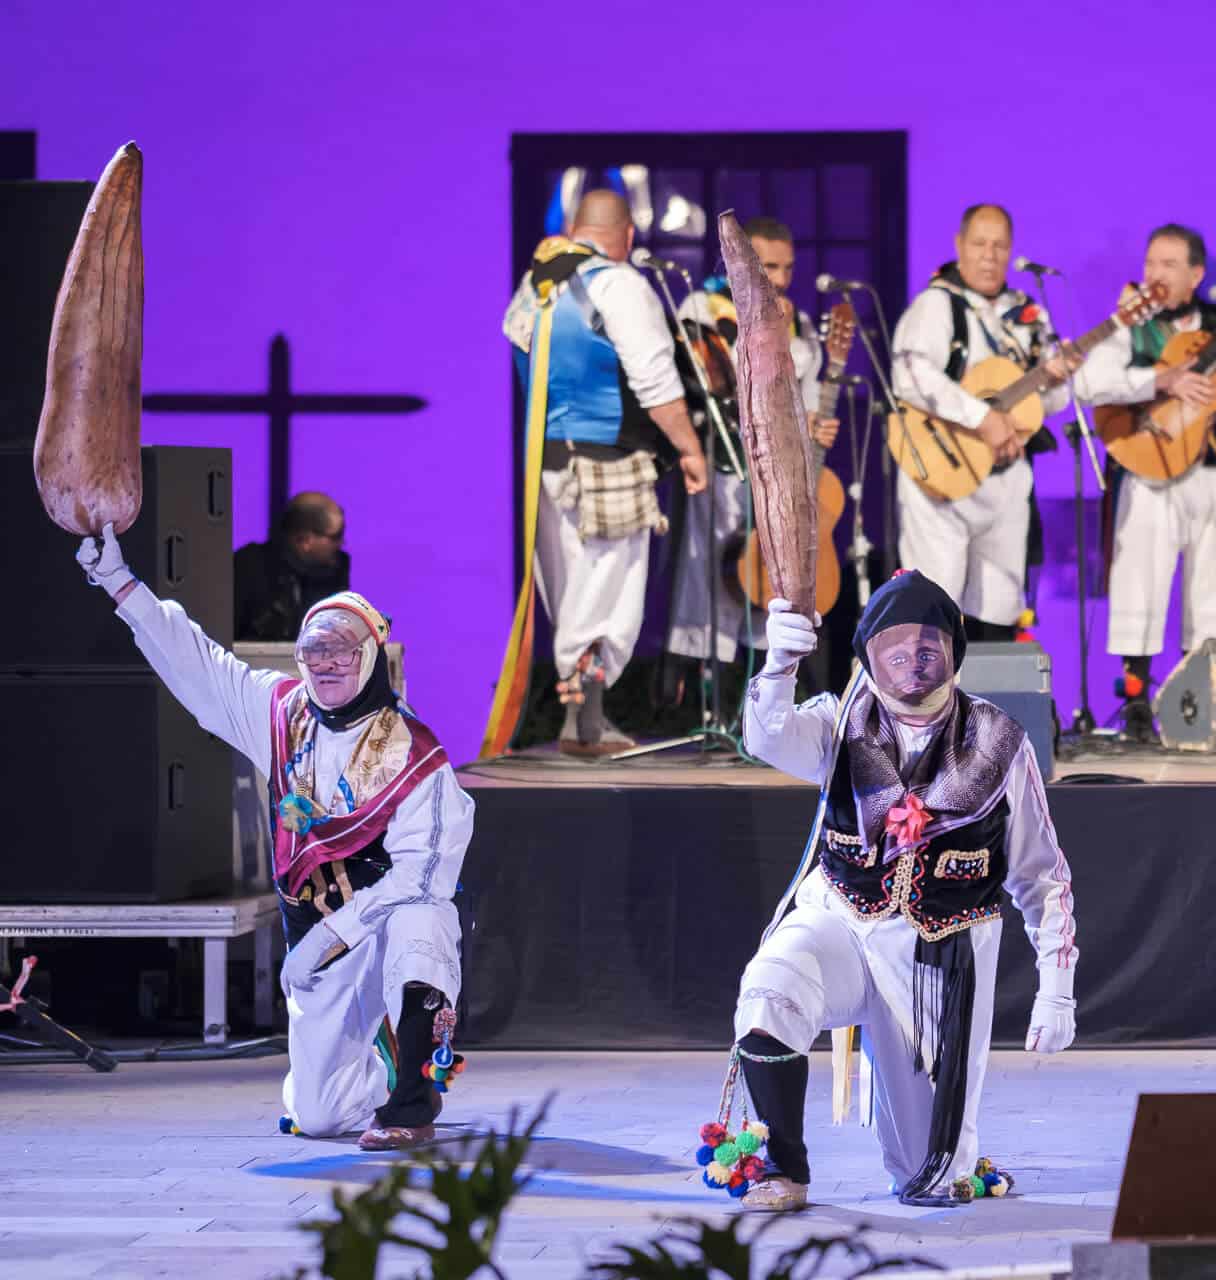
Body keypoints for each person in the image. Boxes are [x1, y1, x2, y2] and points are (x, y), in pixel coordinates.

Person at [76, 524, 475, 1148]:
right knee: (318, 1118)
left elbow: (420, 875)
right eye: (314, 653)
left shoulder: (415, 751)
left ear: (370, 656)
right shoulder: (282, 713)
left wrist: (333, 937)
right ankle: (381, 1068)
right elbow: (196, 665)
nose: (325, 666)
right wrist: (119, 582)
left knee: (421, 926)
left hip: (384, 920)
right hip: (317, 937)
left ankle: (412, 1106)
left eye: (341, 653)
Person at [725, 570, 1078, 1210]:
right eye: (895, 652)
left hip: (936, 959)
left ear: (953, 652)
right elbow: (766, 737)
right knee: (768, 992)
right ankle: (783, 1169)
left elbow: (1042, 875)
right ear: (868, 657)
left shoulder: (1001, 743)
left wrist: (1057, 989)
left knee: (928, 1178)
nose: (913, 666)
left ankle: (943, 1153)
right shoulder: (837, 724)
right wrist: (778, 665)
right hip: (842, 923)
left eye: (927, 650)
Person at [500, 188, 709, 757]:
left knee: (572, 592)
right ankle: (586, 724)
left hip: (549, 466)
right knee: (608, 592)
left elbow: (520, 350)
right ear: (628, 237)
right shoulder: (619, 284)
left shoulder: (534, 287)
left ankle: (578, 720)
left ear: (573, 228)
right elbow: (655, 381)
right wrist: (689, 449)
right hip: (608, 459)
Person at [1076, 224, 1216, 740]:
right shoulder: (1130, 323)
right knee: (1139, 583)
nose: (1154, 276)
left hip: (1212, 470)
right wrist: (1161, 380)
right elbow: (1090, 383)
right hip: (1149, 466)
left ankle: (1196, 703)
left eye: (1168, 265)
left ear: (1196, 274)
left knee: (1212, 594)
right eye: (1150, 264)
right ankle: (1137, 707)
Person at [666, 216, 838, 709]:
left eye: (787, 268)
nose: (780, 279)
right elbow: (711, 380)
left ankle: (769, 704)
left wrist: (813, 423)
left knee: (772, 583)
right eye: (769, 266)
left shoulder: (800, 321)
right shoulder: (704, 309)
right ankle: (712, 705)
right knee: (719, 585)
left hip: (778, 475)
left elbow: (799, 398)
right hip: (724, 465)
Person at [890, 204, 1075, 640]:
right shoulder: (937, 306)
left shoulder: (1027, 314)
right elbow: (910, 374)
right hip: (943, 473)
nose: (990, 255)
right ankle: (927, 705)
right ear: (959, 246)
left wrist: (1056, 378)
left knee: (1000, 606)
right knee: (935, 601)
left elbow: (1053, 402)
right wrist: (981, 418)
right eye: (979, 244)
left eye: (1000, 245)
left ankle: (988, 707)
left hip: (1005, 480)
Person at [234, 491, 349, 641]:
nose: (342, 543)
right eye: (336, 536)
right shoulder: (249, 567)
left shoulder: (336, 569)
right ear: (304, 540)